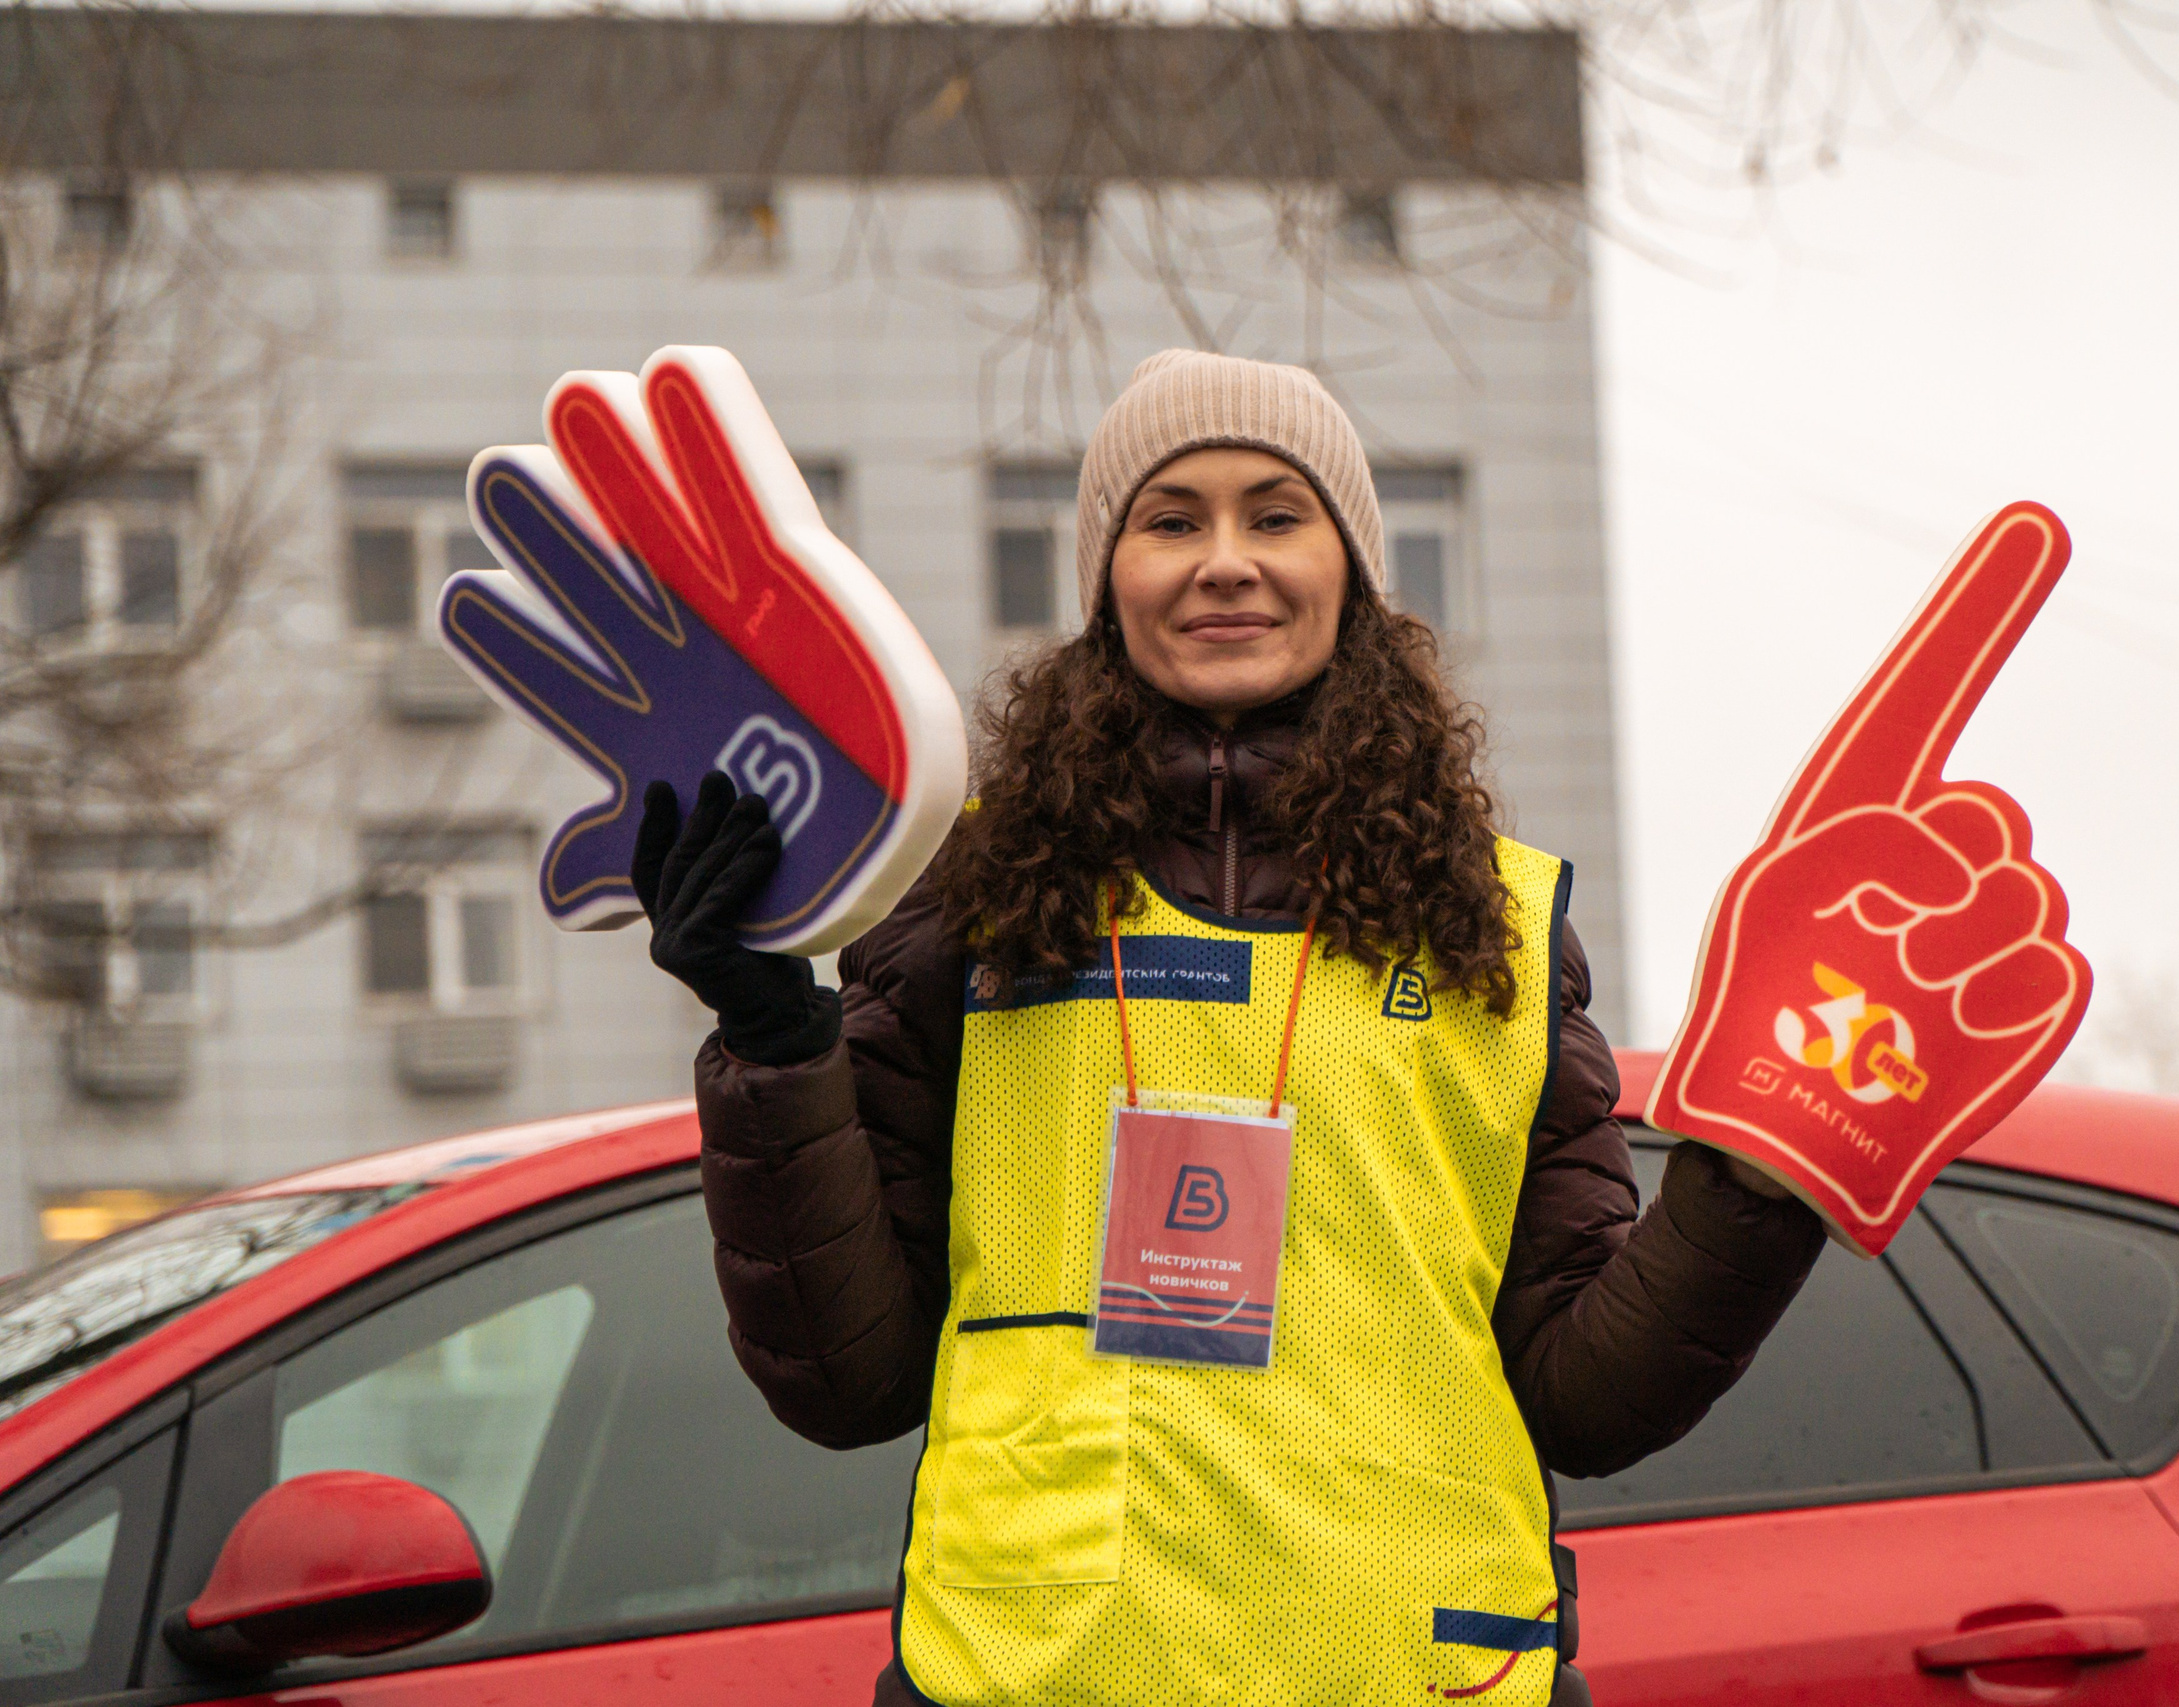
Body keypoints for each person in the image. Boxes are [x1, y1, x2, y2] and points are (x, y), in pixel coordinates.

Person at [632, 349, 1824, 1707]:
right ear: (1107, 580)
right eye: (1170, 520)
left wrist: (1763, 1182)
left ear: (1350, 569)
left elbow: (1586, 1400)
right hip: (1038, 1679)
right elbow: (850, 1380)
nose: (1225, 562)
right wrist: (774, 1044)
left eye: (1275, 515)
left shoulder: (1494, 927)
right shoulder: (973, 904)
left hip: (1420, 1678)